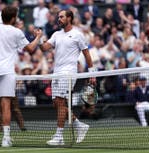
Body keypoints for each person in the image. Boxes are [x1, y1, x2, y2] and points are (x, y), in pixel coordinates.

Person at [0, 6, 42, 148]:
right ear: (13, 18)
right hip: (7, 71)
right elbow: (31, 49)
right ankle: (6, 139)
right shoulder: (17, 32)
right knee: (6, 104)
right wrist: (38, 37)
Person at [39, 9, 96, 146]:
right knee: (57, 104)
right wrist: (40, 37)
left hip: (69, 72)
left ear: (69, 18)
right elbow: (44, 47)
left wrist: (92, 73)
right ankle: (79, 125)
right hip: (56, 72)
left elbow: (87, 54)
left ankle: (59, 136)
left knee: (60, 101)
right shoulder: (56, 34)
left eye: (62, 17)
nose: (59, 19)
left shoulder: (77, 34)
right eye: (58, 17)